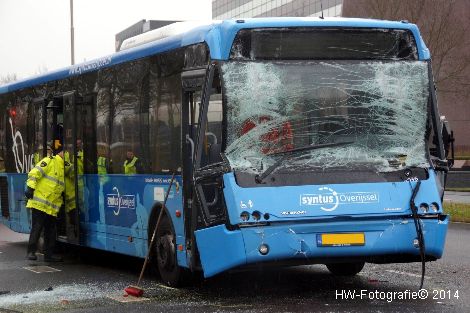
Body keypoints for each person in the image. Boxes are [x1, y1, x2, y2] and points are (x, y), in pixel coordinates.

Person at [24, 143, 70, 262]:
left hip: (52, 206)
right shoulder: (49, 161)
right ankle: (31, 252)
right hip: (40, 203)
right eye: (65, 153)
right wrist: (30, 187)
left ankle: (48, 255)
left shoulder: (64, 166)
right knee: (37, 227)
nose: (67, 155)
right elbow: (35, 172)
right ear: (61, 153)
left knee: (51, 230)